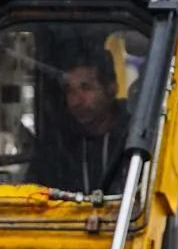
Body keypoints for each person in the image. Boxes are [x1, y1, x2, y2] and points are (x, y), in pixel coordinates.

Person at [28, 57, 131, 193]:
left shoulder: (133, 137)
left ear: (111, 89)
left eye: (86, 88)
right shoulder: (58, 144)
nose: (76, 101)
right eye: (69, 90)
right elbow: (33, 191)